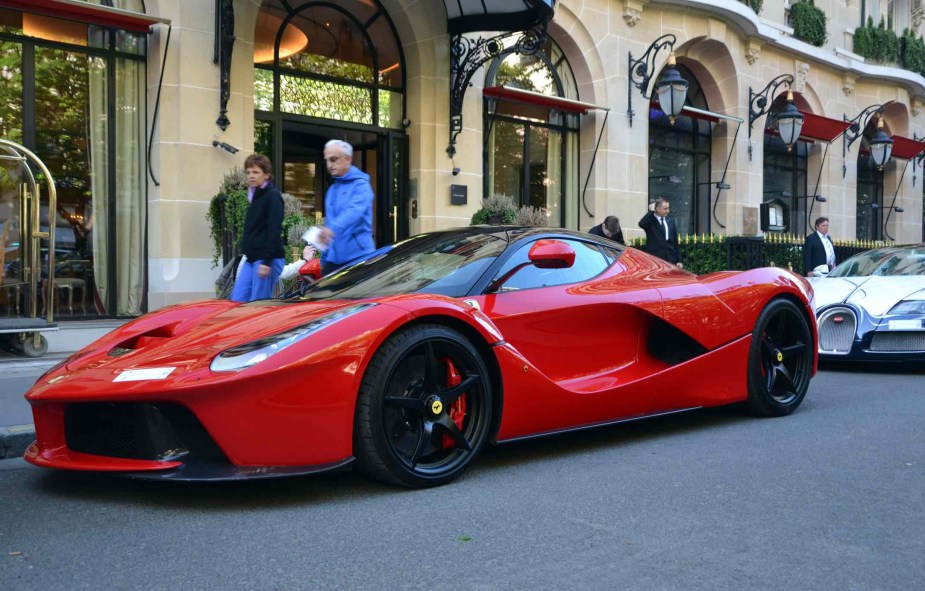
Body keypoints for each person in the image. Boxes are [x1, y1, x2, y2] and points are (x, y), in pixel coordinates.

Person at [230, 154, 285, 302]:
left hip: (268, 259)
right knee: (237, 301)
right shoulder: (254, 196)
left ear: (267, 174)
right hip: (252, 258)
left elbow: (274, 231)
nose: (251, 176)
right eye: (248, 172)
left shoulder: (272, 196)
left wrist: (266, 263)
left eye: (256, 172)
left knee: (258, 305)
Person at [318, 140, 375, 276]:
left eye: (333, 159)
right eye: (327, 160)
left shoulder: (361, 186)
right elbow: (329, 224)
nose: (329, 165)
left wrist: (331, 229)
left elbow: (354, 212)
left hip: (359, 257)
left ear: (348, 158)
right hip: (334, 260)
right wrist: (324, 260)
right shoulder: (332, 190)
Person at [638, 197, 682, 267]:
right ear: (657, 209)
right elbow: (641, 224)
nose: (668, 211)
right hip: (655, 260)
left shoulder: (670, 221)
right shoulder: (650, 221)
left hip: (670, 259)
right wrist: (651, 211)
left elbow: (675, 242)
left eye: (668, 208)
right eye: (665, 209)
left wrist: (679, 260)